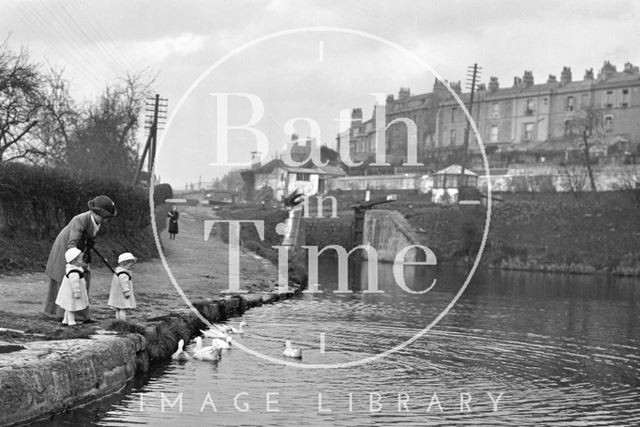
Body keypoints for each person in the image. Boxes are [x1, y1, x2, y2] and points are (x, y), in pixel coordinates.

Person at [44, 195, 117, 321]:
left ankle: (80, 315)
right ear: (95, 212)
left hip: (79, 251)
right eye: (105, 217)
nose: (106, 221)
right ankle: (60, 314)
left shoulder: (96, 221)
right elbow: (73, 242)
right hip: (66, 250)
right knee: (67, 280)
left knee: (84, 280)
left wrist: (85, 259)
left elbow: (87, 240)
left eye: (108, 218)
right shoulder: (80, 220)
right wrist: (77, 262)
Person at [54, 248, 89, 326]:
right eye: (80, 259)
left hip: (69, 292)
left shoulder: (75, 269)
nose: (82, 261)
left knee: (69, 306)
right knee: (71, 308)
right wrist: (77, 292)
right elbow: (75, 283)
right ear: (74, 261)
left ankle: (65, 320)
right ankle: (71, 322)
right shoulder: (73, 272)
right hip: (71, 293)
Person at [108, 252, 137, 321]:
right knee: (123, 308)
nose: (131, 267)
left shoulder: (118, 271)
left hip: (117, 294)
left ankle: (118, 320)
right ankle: (122, 321)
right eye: (130, 266)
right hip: (122, 294)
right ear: (124, 263)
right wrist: (126, 291)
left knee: (118, 308)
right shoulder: (123, 274)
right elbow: (124, 283)